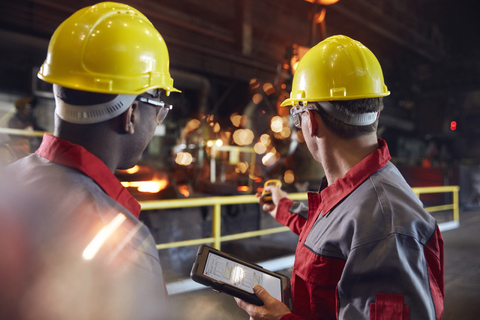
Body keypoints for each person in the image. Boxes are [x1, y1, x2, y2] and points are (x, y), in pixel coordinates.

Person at [236, 35, 444, 320]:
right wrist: (284, 208)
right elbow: (337, 239)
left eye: (297, 116)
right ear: (377, 111)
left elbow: (361, 232)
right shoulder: (356, 191)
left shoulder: (387, 225)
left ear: (311, 121)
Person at [0, 2, 180, 319]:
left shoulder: (9, 182)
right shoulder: (122, 244)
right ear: (132, 114)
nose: (159, 120)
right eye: (160, 108)